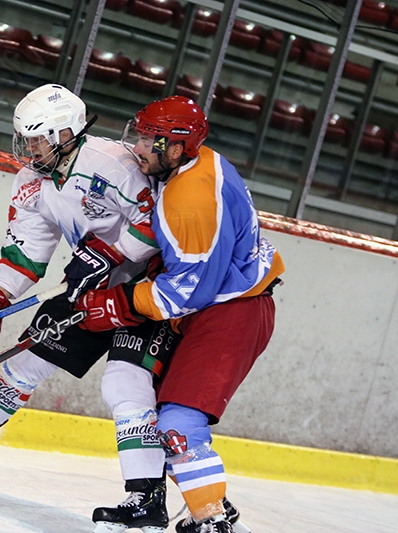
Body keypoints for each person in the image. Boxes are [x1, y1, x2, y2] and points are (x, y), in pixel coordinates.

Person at [0, 83, 179, 532]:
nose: (28, 148)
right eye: (25, 139)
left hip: (146, 295)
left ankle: (145, 499)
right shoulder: (32, 180)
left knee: (126, 386)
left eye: (37, 139)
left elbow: (158, 223)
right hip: (89, 292)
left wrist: (112, 254)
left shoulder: (114, 164)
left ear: (66, 132)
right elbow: (27, 250)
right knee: (29, 355)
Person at [75, 95, 285, 533]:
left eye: (149, 139)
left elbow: (188, 291)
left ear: (176, 147)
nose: (137, 145)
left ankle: (212, 521)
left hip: (230, 313)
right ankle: (205, 508)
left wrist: (119, 302)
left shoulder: (190, 200)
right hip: (224, 305)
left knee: (178, 423)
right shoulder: (198, 164)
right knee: (155, 410)